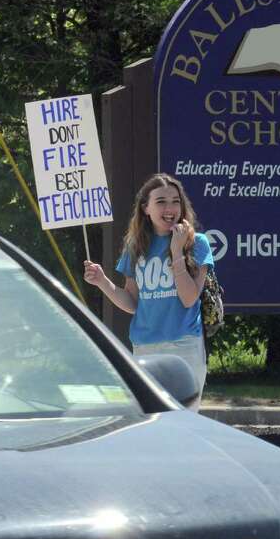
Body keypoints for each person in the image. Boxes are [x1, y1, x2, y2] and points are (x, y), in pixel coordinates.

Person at [84, 173, 214, 410]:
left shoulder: (198, 243)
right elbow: (132, 302)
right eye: (161, 201)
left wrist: (176, 252)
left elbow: (189, 299)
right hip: (145, 347)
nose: (170, 207)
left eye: (176, 201)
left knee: (183, 423)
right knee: (151, 421)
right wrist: (102, 282)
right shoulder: (136, 246)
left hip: (184, 347)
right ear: (146, 208)